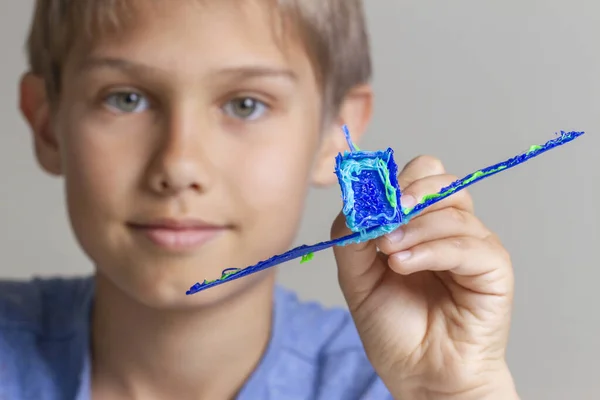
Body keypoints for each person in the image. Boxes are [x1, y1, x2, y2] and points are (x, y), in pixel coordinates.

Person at [0, 0, 520, 399]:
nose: (179, 166)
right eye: (125, 98)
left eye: (246, 104)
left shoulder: (399, 381)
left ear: (335, 136)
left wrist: (454, 392)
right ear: (47, 124)